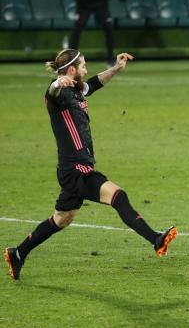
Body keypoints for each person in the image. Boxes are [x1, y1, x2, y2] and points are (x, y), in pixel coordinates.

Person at [3, 49, 177, 282]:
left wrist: (116, 68)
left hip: (74, 168)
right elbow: (53, 90)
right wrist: (57, 82)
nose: (86, 69)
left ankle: (18, 253)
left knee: (62, 218)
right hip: (76, 169)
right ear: (72, 70)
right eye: (83, 65)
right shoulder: (58, 94)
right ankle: (155, 239)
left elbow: (94, 83)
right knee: (118, 196)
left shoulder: (76, 90)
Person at [69, 0, 124, 65]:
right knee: (77, 29)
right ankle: (70, 59)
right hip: (83, 4)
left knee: (108, 28)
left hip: (101, 3)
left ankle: (110, 59)